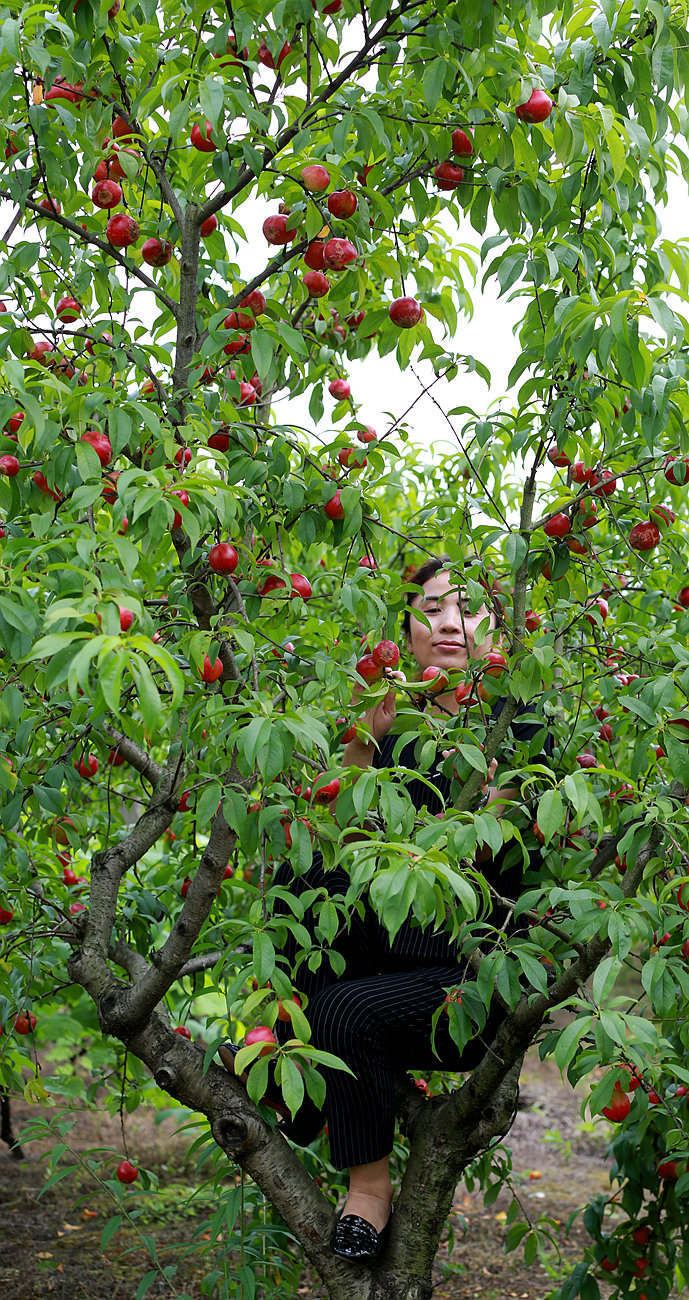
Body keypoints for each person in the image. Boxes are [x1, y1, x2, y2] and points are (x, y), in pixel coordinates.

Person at [220, 558, 553, 1263]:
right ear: (404, 633)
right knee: (309, 872)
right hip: (381, 958)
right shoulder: (389, 721)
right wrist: (356, 748)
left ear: (500, 631)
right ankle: (284, 1041)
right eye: (431, 610)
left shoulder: (520, 729)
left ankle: (366, 1188)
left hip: (467, 982)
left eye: (469, 609)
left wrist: (485, 805)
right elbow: (328, 844)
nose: (450, 624)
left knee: (341, 1011)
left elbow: (489, 860)